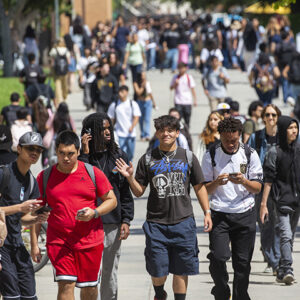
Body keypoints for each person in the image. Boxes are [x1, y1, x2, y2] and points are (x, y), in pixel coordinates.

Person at [116, 115, 213, 300]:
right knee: (158, 269)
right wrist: (129, 177)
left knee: (181, 269)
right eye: (161, 130)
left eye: (170, 130)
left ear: (177, 133)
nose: (165, 133)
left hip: (184, 223)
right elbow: (138, 192)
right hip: (156, 224)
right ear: (157, 133)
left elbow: (199, 187)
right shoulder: (147, 159)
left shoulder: (188, 157)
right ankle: (159, 293)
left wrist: (207, 212)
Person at [31, 130, 117, 300]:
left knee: (90, 289)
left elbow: (111, 200)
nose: (66, 158)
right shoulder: (45, 176)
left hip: (90, 242)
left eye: (71, 153)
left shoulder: (92, 173)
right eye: (62, 153)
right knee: (65, 285)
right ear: (56, 151)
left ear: (79, 151)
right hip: (59, 242)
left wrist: (95, 212)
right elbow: (37, 212)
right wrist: (34, 244)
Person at [201, 117, 263, 300]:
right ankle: (221, 290)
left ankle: (240, 296)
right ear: (220, 136)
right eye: (226, 140)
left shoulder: (250, 154)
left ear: (240, 136)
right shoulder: (210, 154)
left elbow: (257, 187)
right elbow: (203, 190)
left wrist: (244, 181)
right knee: (219, 257)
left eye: (234, 140)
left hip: (245, 214)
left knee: (242, 263)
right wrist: (217, 182)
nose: (230, 144)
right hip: (220, 214)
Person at [79, 112, 134, 300]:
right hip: (88, 223)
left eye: (109, 127)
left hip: (112, 223)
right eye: (102, 129)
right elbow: (79, 183)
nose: (108, 131)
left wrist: (126, 219)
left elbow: (124, 191)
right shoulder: (82, 159)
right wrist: (84, 154)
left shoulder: (118, 156)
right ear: (90, 133)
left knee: (110, 273)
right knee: (89, 274)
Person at [0, 131, 49, 300]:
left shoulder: (31, 181)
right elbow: (16, 210)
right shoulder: (3, 174)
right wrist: (20, 206)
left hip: (17, 243)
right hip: (2, 246)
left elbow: (23, 219)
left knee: (30, 294)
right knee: (11, 296)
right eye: (30, 148)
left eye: (38, 150)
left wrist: (36, 218)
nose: (34, 152)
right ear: (19, 149)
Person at [260, 116, 300, 285]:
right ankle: (288, 267)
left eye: (296, 128)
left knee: (289, 237)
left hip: (296, 201)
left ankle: (282, 269)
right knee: (286, 234)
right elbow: (268, 180)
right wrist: (263, 204)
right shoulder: (274, 152)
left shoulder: (299, 151)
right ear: (283, 130)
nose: (294, 131)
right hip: (281, 200)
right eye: (290, 128)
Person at [248, 104, 282, 274]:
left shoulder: (286, 137)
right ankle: (274, 260)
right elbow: (245, 159)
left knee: (281, 225)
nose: (270, 118)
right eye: (267, 115)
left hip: (282, 186)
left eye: (274, 115)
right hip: (261, 186)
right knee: (266, 224)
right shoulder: (256, 137)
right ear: (263, 118)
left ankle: (278, 260)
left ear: (278, 117)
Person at [107, 85, 141, 162]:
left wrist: (132, 127)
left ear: (127, 92)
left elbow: (136, 117)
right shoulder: (114, 105)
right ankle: (123, 170)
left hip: (131, 134)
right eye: (119, 92)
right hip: (119, 134)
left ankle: (129, 168)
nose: (120, 94)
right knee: (121, 154)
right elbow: (111, 119)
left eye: (122, 92)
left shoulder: (132, 104)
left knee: (131, 154)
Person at [170, 62, 197, 127]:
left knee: (187, 119)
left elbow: (192, 89)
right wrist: (175, 84)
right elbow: (171, 88)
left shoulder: (189, 77)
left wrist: (195, 100)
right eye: (179, 68)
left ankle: (187, 133)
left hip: (187, 101)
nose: (181, 70)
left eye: (182, 68)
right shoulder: (175, 77)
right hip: (178, 101)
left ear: (185, 68)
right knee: (177, 119)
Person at [133, 71, 157, 141]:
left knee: (147, 119)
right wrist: (143, 86)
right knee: (140, 119)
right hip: (140, 102)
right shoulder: (136, 83)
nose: (143, 77)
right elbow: (138, 93)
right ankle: (142, 134)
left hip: (148, 102)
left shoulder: (147, 82)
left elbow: (150, 93)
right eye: (142, 75)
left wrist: (154, 102)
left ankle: (147, 135)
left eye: (144, 75)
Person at [49, 38, 71, 104]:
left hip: (56, 71)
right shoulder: (66, 50)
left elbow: (52, 62)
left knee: (57, 85)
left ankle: (59, 100)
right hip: (64, 71)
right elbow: (69, 62)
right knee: (65, 84)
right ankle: (64, 96)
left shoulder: (54, 50)